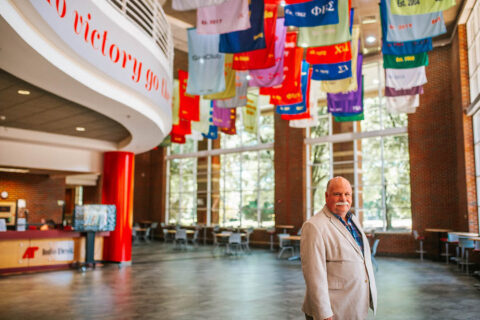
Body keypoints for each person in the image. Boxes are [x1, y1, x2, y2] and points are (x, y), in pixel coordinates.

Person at [300, 176, 377, 320]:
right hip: (332, 311)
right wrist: (324, 313)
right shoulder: (314, 226)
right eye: (337, 194)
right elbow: (314, 275)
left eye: (347, 194)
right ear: (326, 196)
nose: (343, 198)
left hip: (354, 304)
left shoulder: (352, 220)